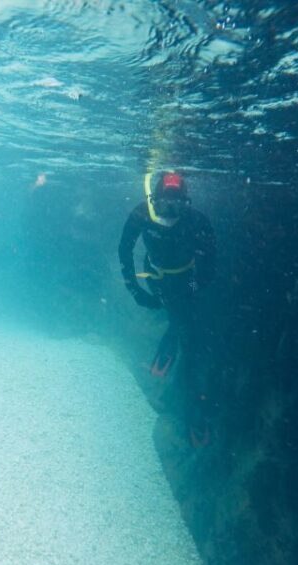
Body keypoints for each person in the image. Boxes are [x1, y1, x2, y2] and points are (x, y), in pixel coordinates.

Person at [118, 171, 216, 445]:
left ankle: (190, 403)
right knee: (179, 321)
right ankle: (173, 345)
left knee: (188, 334)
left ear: (187, 203)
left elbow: (211, 263)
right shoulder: (141, 214)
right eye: (164, 206)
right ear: (153, 201)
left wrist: (196, 287)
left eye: (178, 206)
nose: (171, 212)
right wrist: (135, 289)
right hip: (160, 280)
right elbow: (124, 250)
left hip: (186, 281)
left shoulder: (197, 220)